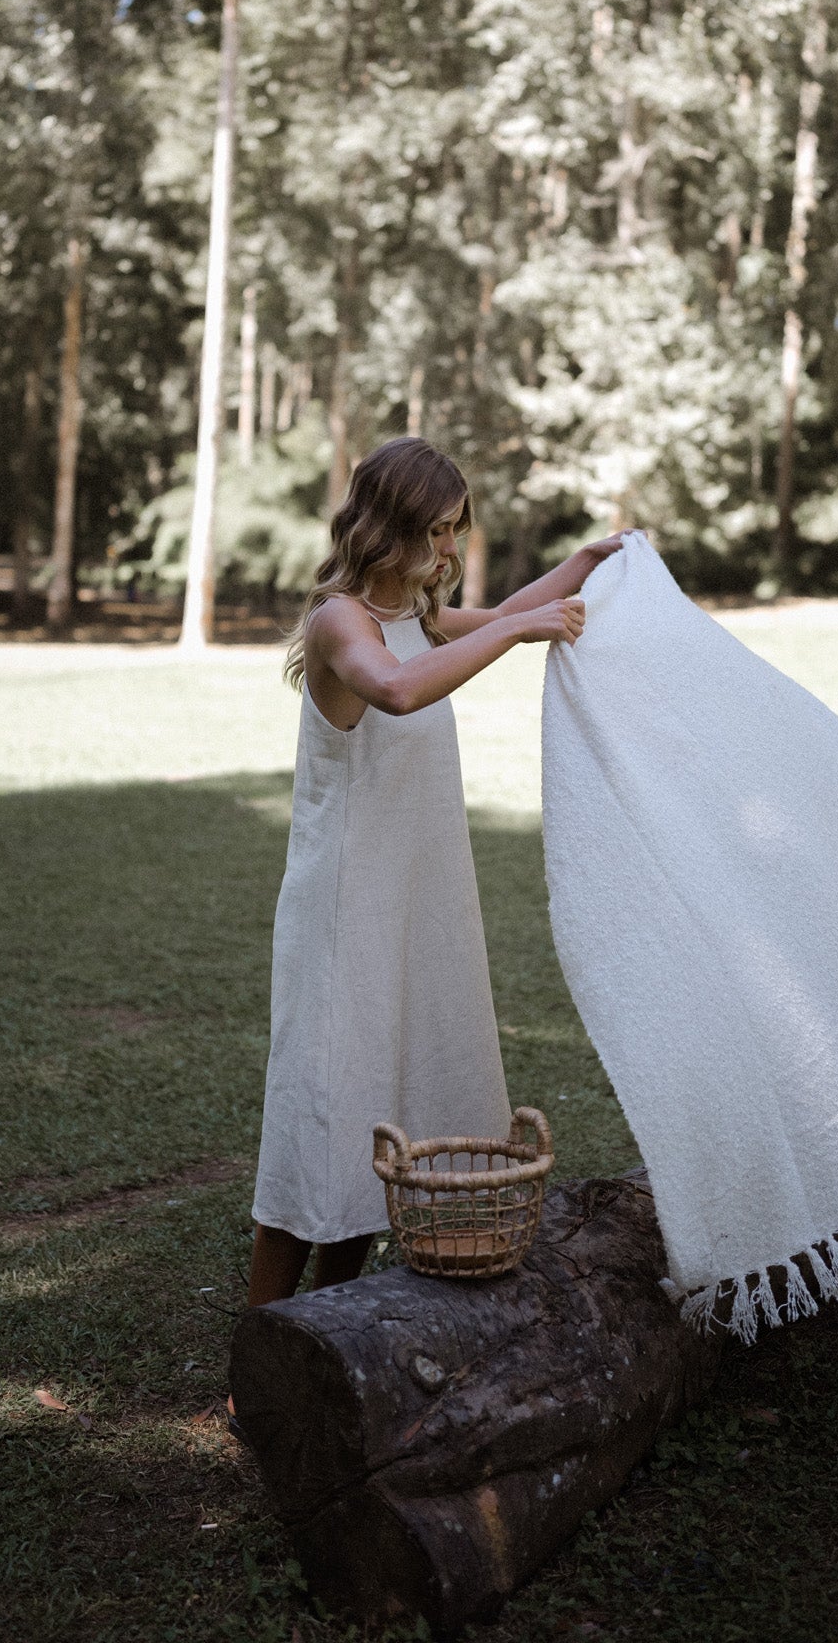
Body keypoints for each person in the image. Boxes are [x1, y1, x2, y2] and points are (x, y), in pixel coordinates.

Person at [246, 435, 625, 1307]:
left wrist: (581, 562)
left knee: (380, 1109)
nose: (451, 550)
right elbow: (399, 688)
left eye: (457, 530)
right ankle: (260, 1340)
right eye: (438, 531)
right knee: (323, 1115)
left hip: (412, 900)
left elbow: (490, 620)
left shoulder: (414, 618)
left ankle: (327, 1322)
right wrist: (521, 630)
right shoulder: (341, 619)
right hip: (346, 909)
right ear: (387, 528)